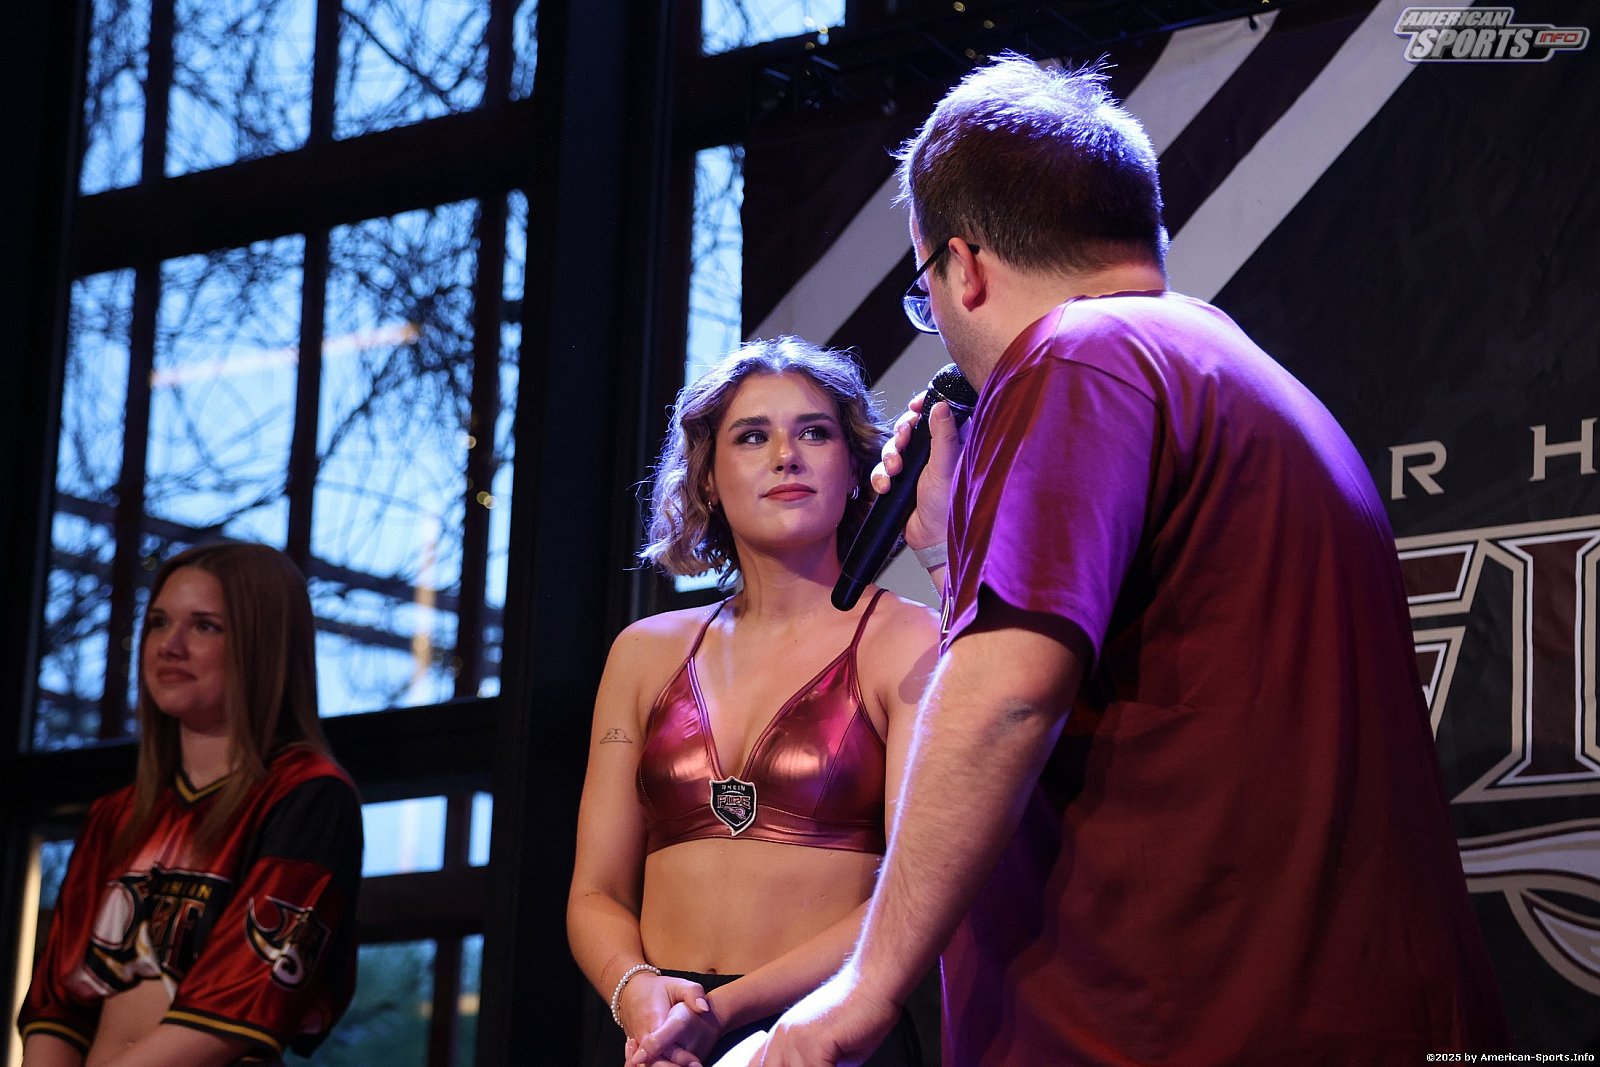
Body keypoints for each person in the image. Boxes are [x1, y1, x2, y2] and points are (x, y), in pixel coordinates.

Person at [743, 57, 1511, 1065]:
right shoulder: (1225, 367)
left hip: (1188, 1028)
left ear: (962, 267)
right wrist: (951, 549)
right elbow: (1140, 689)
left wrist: (859, 990)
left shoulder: (1077, 357)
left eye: (924, 290)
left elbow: (1008, 697)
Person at [566, 338, 940, 1067]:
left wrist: (721, 1014)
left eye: (814, 432)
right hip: (659, 1042)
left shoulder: (905, 639)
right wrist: (636, 993)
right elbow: (595, 892)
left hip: (825, 1038)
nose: (786, 456)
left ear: (854, 467)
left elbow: (914, 891)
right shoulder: (643, 653)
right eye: (751, 436)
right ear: (707, 478)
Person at [18, 542, 363, 1067]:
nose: (169, 646)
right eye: (159, 622)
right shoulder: (118, 813)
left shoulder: (308, 794)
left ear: (262, 645)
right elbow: (56, 1003)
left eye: (204, 626)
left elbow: (240, 1001)